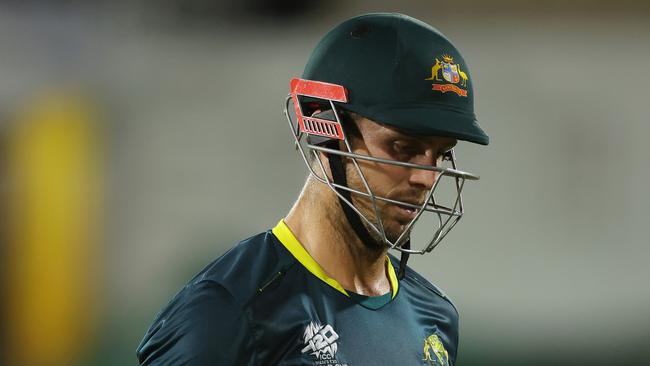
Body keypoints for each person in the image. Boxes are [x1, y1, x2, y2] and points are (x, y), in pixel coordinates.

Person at [137, 12, 489, 366]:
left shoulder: (435, 317)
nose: (425, 178)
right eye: (403, 148)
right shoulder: (229, 311)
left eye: (440, 155)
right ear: (326, 128)